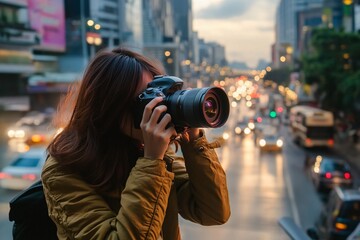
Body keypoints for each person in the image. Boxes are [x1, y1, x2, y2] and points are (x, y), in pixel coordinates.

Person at [41, 47, 231, 239]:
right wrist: (151, 161)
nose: (158, 107)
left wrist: (194, 140)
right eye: (148, 99)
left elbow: (213, 212)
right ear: (110, 108)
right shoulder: (62, 172)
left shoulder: (147, 150)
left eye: (161, 96)